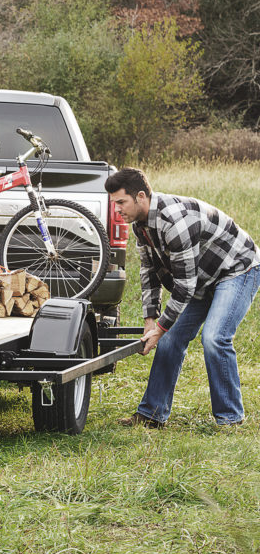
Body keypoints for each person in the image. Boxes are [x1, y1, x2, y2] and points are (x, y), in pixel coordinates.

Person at [105, 167, 260, 427]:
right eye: (114, 203)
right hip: (203, 278)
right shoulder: (141, 226)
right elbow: (149, 271)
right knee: (168, 341)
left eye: (121, 202)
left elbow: (185, 287)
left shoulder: (176, 222)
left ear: (141, 196)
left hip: (236, 269)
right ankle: (152, 416)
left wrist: (162, 326)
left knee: (214, 338)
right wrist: (150, 320)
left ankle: (230, 419)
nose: (117, 209)